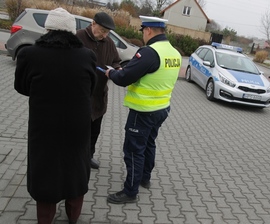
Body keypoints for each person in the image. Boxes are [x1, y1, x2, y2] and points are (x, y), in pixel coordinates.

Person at [14, 7, 97, 224]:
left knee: (45, 168)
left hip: (44, 125)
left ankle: (45, 218)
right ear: (71, 31)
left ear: (47, 28)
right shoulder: (87, 56)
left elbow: (22, 87)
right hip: (77, 126)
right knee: (76, 168)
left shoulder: (28, 54)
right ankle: (73, 216)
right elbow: (91, 88)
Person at [105, 15, 182, 204]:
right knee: (149, 143)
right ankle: (145, 178)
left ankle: (130, 191)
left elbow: (125, 77)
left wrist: (111, 73)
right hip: (162, 108)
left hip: (143, 110)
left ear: (148, 30)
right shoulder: (174, 53)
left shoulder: (149, 52)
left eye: (143, 32)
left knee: (133, 150)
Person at [76, 11, 121, 169]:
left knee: (94, 131)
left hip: (99, 95)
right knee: (79, 131)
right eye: (102, 30)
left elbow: (115, 60)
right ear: (92, 23)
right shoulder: (79, 37)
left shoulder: (108, 43)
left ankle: (88, 156)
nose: (104, 35)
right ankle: (75, 158)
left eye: (107, 32)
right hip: (80, 96)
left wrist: (118, 69)